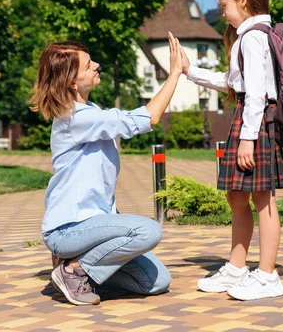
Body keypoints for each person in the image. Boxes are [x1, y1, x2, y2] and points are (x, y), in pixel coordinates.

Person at [30, 33, 184, 305]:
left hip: (93, 227)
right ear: (71, 81)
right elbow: (149, 117)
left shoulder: (90, 110)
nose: (97, 65)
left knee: (157, 281)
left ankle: (78, 270)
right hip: (68, 229)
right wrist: (174, 74)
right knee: (148, 231)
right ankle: (73, 270)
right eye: (89, 64)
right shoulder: (76, 118)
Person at [184, 0, 283, 300]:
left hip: (254, 120)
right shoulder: (250, 37)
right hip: (248, 116)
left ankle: (268, 276)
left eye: (224, 6)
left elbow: (256, 93)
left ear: (242, 0)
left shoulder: (254, 37)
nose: (222, 13)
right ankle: (237, 267)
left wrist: (248, 138)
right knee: (236, 197)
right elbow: (234, 83)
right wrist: (190, 71)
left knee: (263, 199)